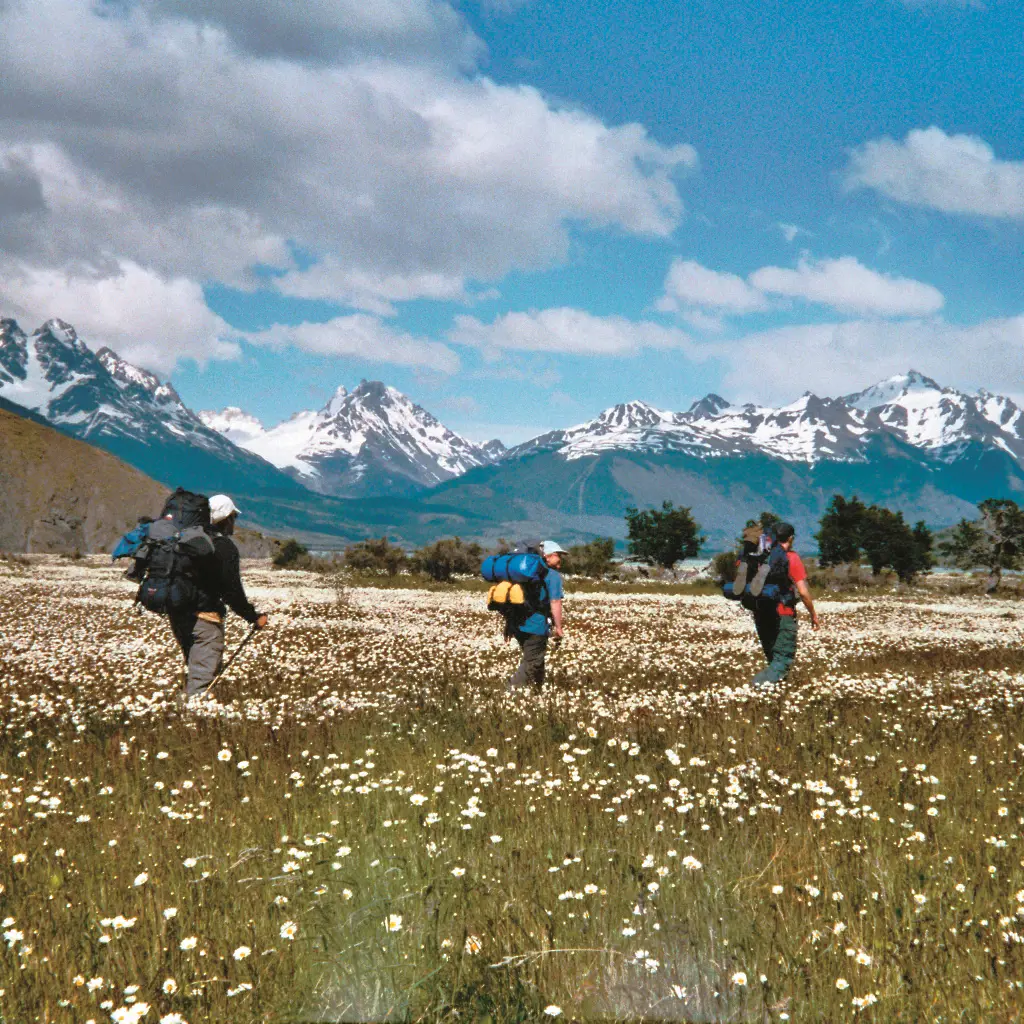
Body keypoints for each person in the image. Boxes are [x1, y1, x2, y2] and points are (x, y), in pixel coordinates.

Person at [169, 494, 268, 699]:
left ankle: (185, 712)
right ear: (227, 518)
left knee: (194, 667)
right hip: (206, 619)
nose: (234, 523)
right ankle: (194, 721)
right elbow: (232, 592)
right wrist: (253, 617)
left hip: (179, 616)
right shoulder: (223, 547)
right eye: (233, 517)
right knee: (202, 680)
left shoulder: (189, 540)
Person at [751, 522, 819, 687]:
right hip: (783, 614)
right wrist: (813, 614)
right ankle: (754, 688)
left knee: (773, 659)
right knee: (782, 662)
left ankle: (772, 696)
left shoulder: (762, 557)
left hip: (761, 615)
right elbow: (803, 592)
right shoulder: (792, 558)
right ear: (791, 538)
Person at [507, 539, 566, 692]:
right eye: (558, 555)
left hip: (519, 623)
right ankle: (509, 694)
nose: (561, 558)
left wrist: (509, 624)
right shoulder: (551, 575)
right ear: (550, 555)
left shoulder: (525, 574)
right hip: (536, 625)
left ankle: (537, 691)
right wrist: (559, 628)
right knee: (532, 661)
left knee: (536, 660)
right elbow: (555, 602)